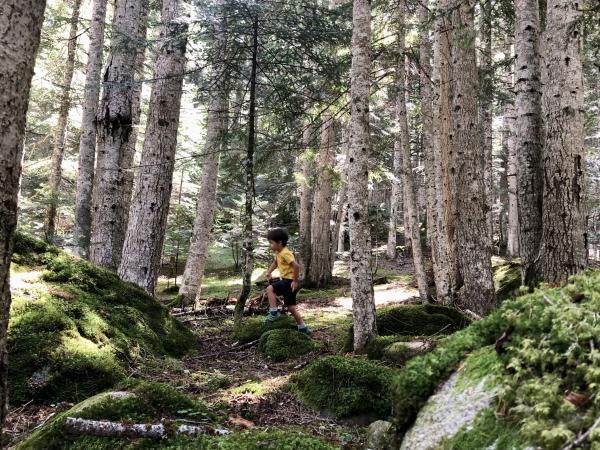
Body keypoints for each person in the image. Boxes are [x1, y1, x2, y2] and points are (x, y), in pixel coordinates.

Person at [263, 228, 311, 335]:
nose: (270, 245)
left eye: (271, 242)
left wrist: (295, 281)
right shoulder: (278, 253)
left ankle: (274, 312)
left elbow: (296, 266)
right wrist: (269, 272)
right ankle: (303, 327)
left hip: (289, 281)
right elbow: (275, 263)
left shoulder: (285, 253)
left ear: (279, 243)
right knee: (291, 308)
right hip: (286, 281)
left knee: (270, 289)